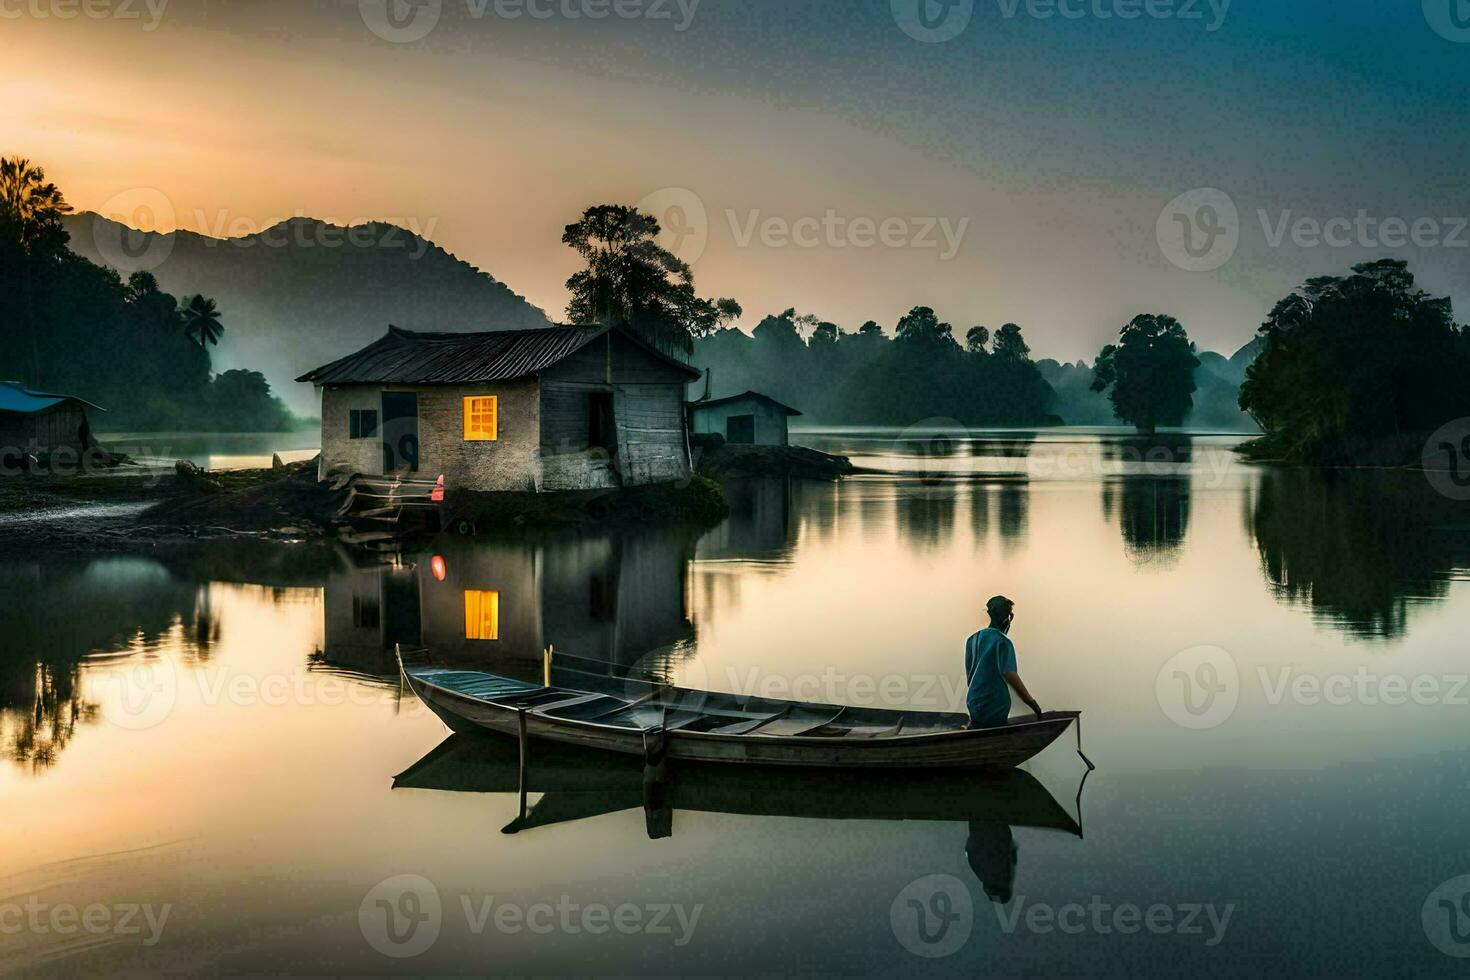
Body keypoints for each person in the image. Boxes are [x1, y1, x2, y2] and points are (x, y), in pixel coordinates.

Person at [964, 595, 1042, 729]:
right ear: (1008, 617)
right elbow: (1010, 675)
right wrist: (1033, 704)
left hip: (974, 704)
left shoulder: (972, 640)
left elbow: (970, 677)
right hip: (995, 707)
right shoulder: (1003, 642)